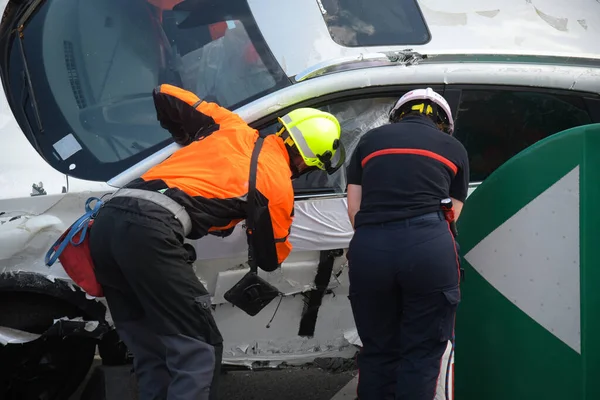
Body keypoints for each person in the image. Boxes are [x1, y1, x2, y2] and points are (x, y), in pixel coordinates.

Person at [88, 83, 345, 400]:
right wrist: (250, 222)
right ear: (306, 161)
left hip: (107, 220)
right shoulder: (276, 185)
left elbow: (166, 93)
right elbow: (270, 257)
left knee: (152, 348)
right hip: (151, 233)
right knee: (201, 348)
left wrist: (188, 142)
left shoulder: (229, 126)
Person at [345, 88, 469, 400]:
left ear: (398, 114)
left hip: (372, 245)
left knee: (377, 350)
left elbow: (354, 208)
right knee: (422, 353)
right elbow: (452, 213)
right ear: (443, 122)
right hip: (429, 245)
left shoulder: (369, 142)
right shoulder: (454, 148)